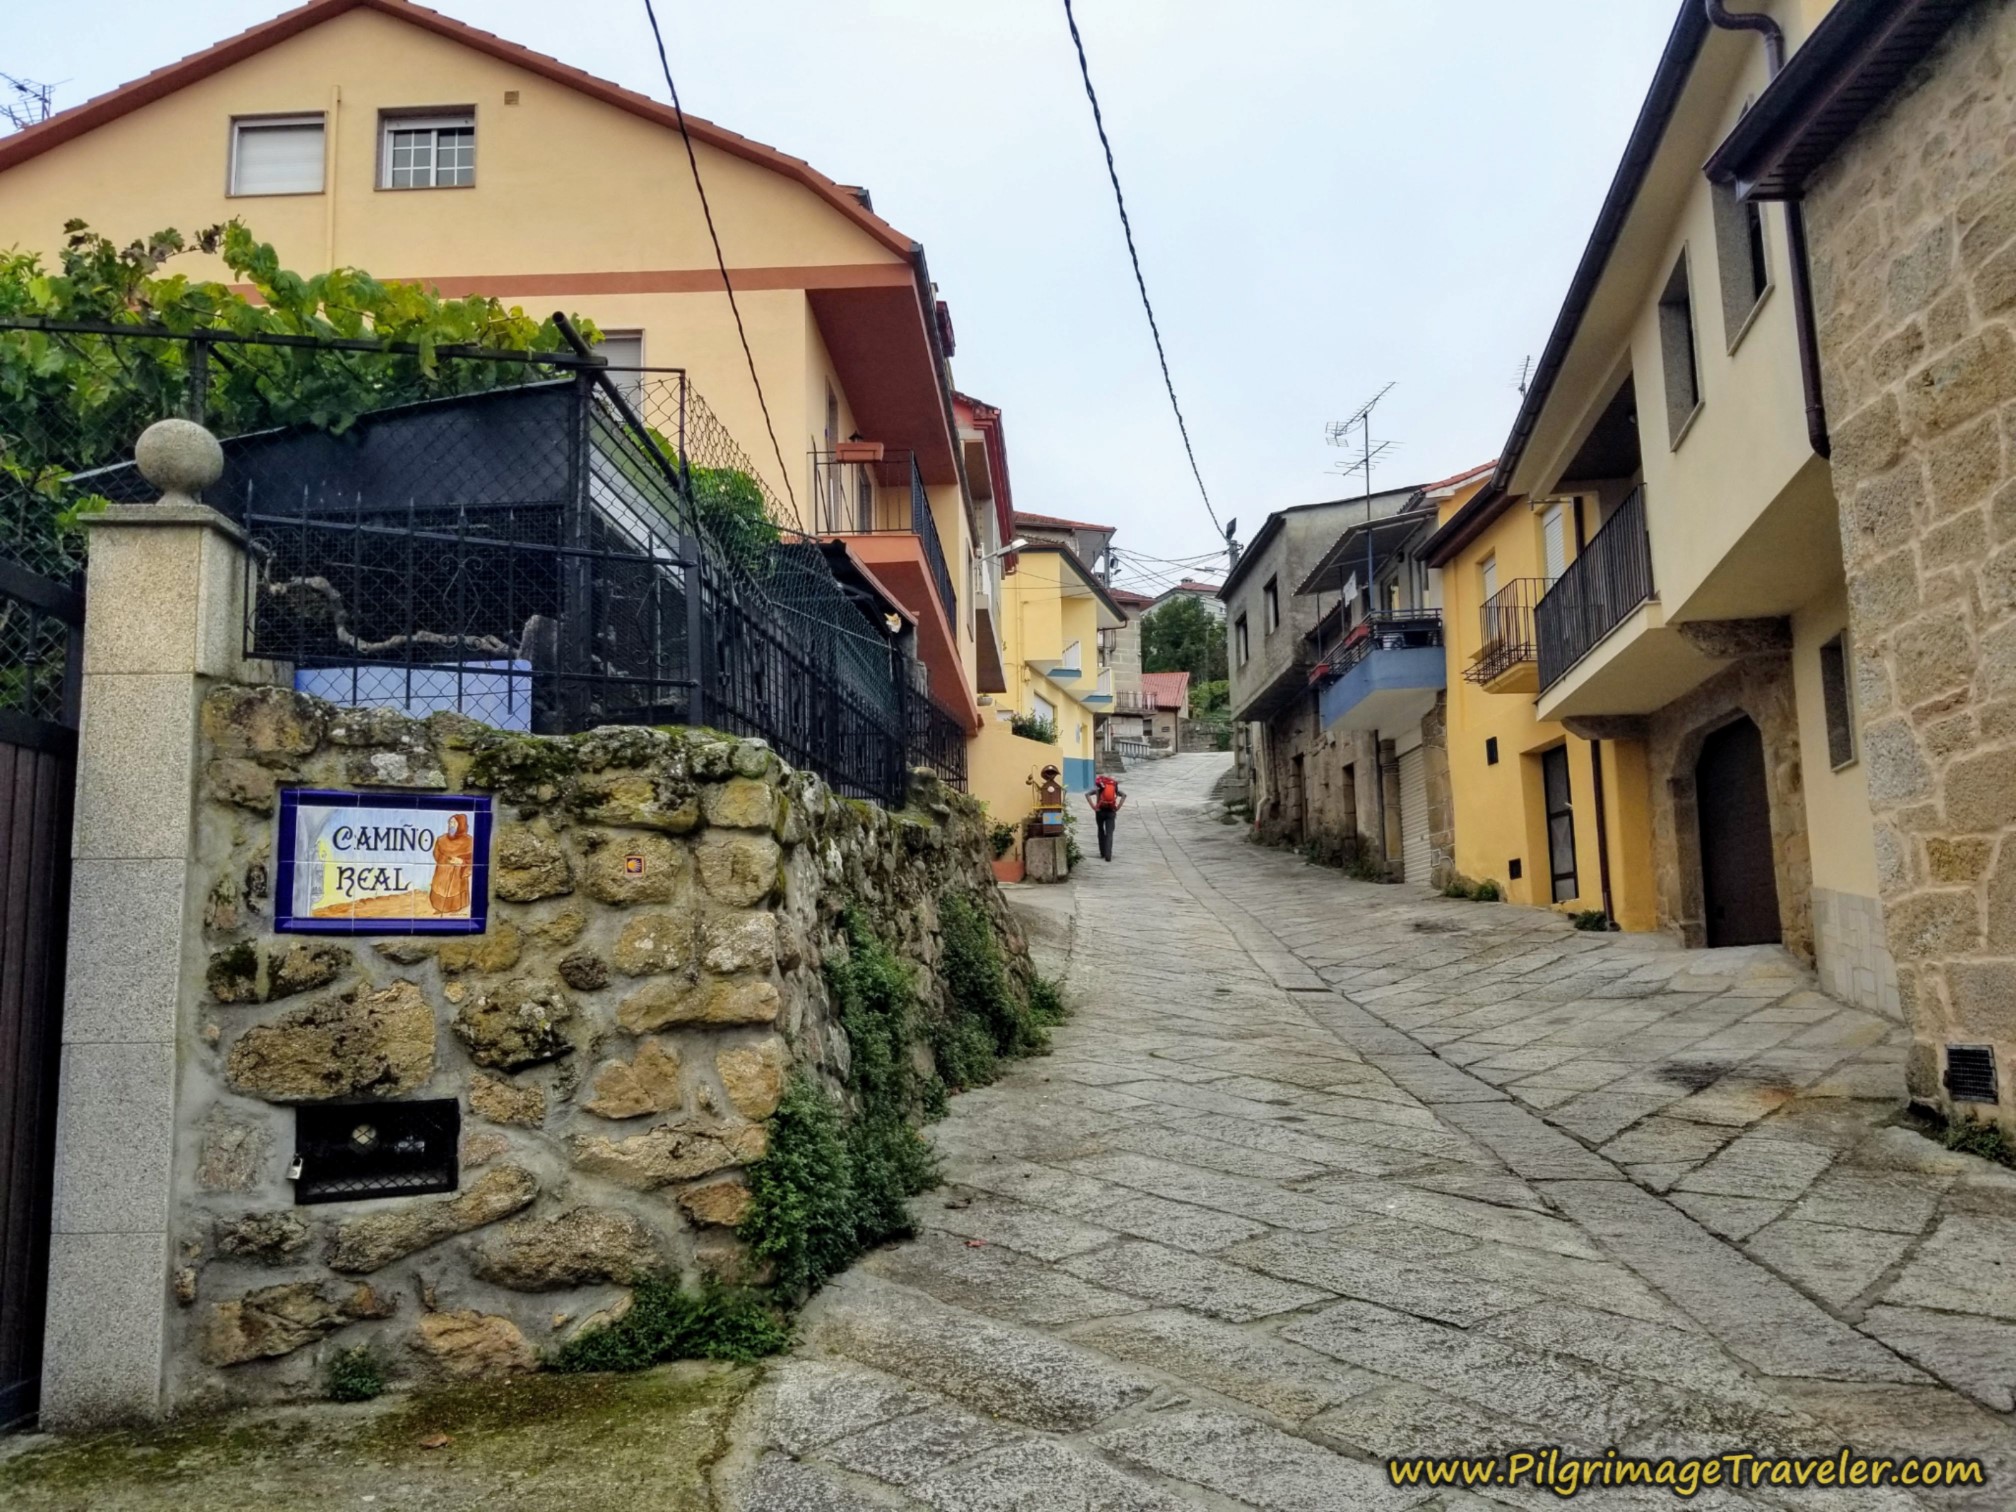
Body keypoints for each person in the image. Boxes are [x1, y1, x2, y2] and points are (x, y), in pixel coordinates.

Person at [1085, 773, 1126, 861]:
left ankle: (1102, 852)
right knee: (1109, 833)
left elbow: (1087, 794)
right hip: (1111, 812)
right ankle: (1108, 855)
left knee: (1100, 830)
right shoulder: (1114, 787)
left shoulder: (1099, 788)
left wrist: (1093, 807)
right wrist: (1118, 807)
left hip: (1099, 811)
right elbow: (1124, 795)